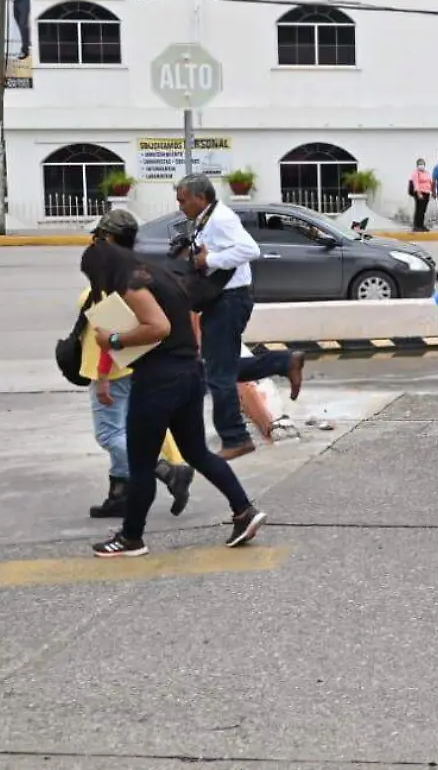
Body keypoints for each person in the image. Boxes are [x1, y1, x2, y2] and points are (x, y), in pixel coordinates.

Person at [85, 240, 267, 558]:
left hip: (158, 381)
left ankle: (131, 538)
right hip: (188, 374)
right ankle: (244, 511)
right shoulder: (157, 274)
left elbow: (158, 327)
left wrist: (112, 340)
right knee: (197, 452)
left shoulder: (131, 284)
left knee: (141, 464)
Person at [173, 175, 301, 461]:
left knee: (219, 374)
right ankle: (285, 361)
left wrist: (209, 260)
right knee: (220, 368)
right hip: (221, 299)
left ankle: (235, 437)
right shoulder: (207, 219)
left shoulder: (220, 218)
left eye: (183, 200)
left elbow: (250, 250)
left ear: (200, 198)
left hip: (229, 301)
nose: (180, 206)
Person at [79, 208, 192, 521]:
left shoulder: (111, 275)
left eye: (100, 237)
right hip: (135, 365)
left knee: (109, 434)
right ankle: (120, 495)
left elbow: (109, 331)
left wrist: (102, 375)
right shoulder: (137, 270)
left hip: (112, 367)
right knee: (124, 430)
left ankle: (167, 471)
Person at [409, 158, 435, 233]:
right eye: (420, 164)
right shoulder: (415, 173)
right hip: (419, 193)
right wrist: (419, 193)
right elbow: (416, 183)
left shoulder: (427, 173)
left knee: (423, 210)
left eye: (422, 164)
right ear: (417, 165)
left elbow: (430, 182)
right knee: (419, 210)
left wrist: (432, 192)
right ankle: (416, 226)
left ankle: (421, 225)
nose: (421, 165)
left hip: (427, 193)